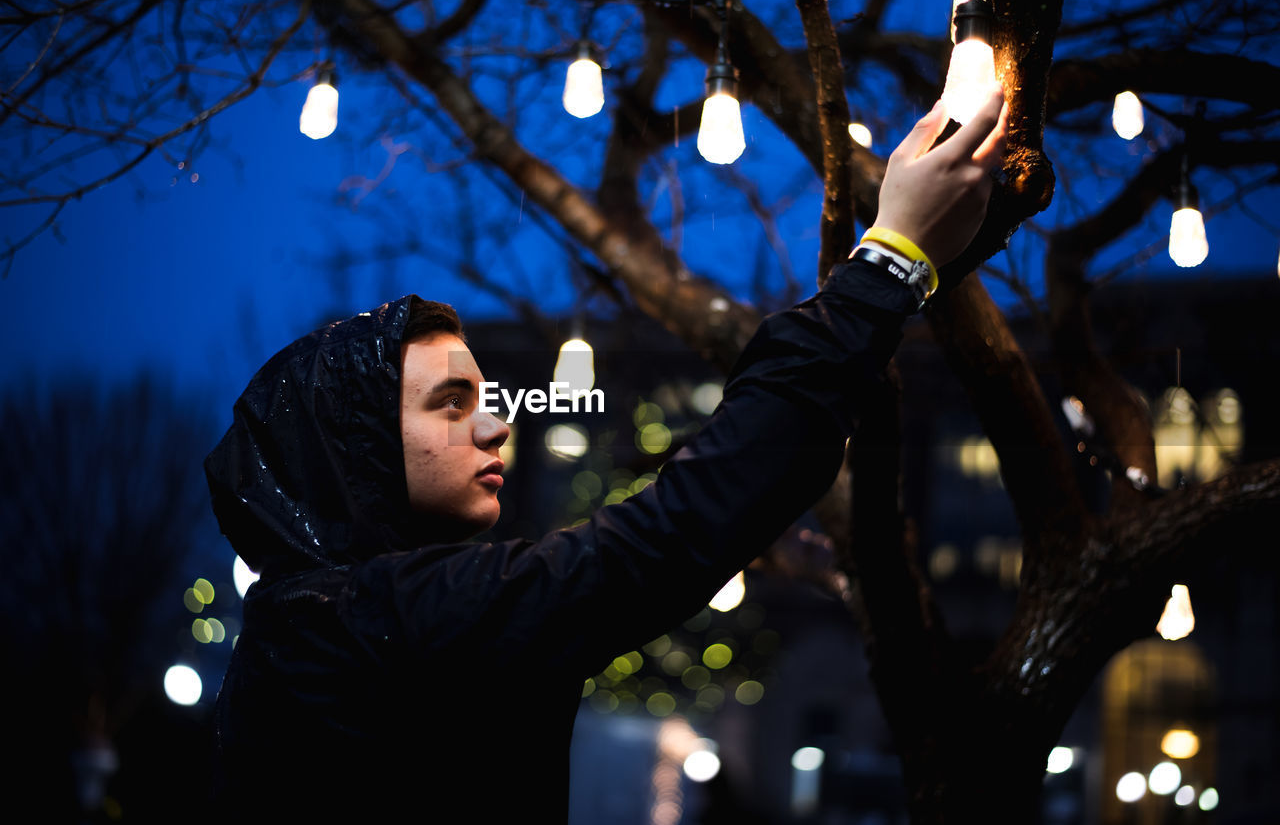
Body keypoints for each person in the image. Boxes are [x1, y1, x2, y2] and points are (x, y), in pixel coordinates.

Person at [205, 89, 1007, 819]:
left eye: (487, 400)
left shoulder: (336, 621)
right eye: (450, 404)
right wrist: (891, 260)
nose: (495, 428)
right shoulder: (360, 619)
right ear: (356, 445)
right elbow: (668, 535)